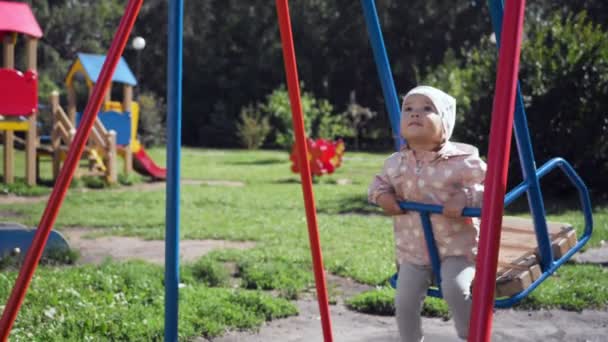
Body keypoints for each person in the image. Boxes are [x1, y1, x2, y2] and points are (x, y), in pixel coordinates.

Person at [368, 86, 486, 342]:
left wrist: (465, 197)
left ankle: (472, 336)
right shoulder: (396, 163)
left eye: (427, 109)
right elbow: (377, 185)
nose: (415, 114)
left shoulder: (464, 161)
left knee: (455, 290)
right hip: (414, 252)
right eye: (408, 109)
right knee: (404, 299)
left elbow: (490, 190)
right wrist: (383, 197)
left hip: (457, 249)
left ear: (445, 124)